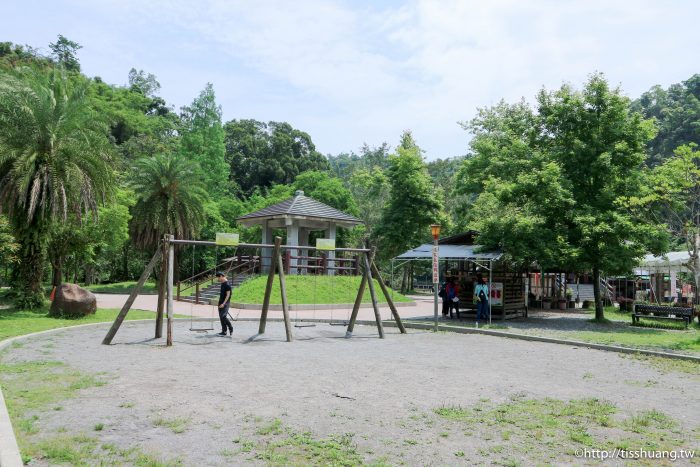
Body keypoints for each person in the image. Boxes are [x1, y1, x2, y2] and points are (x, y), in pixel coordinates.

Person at [216, 272, 233, 336]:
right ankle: (224, 331)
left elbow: (228, 295)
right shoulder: (222, 283)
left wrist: (223, 303)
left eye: (218, 277)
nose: (218, 279)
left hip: (225, 303)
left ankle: (230, 327)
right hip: (220, 302)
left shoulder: (227, 284)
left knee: (223, 316)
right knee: (221, 317)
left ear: (221, 276)